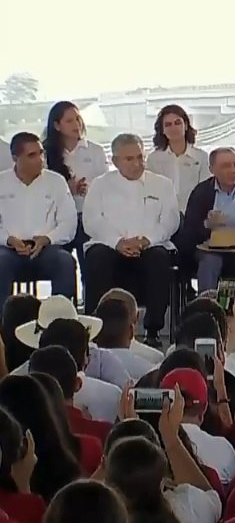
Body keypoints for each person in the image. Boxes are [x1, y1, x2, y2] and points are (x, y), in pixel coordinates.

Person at [82, 133, 178, 346]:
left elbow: (170, 221)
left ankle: (152, 330)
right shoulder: (100, 185)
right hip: (111, 246)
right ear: (115, 161)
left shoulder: (162, 184)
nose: (137, 164)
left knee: (159, 259)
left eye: (140, 157)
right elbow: (91, 221)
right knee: (97, 257)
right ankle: (97, 329)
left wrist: (146, 240)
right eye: (129, 159)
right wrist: (118, 242)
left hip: (150, 246)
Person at [180, 147, 235, 330]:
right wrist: (207, 224)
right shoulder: (201, 192)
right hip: (211, 248)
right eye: (226, 166)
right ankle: (208, 317)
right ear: (212, 169)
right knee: (209, 263)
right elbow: (188, 230)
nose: (233, 170)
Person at [0, 132, 78, 306]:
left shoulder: (56, 181)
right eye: (32, 155)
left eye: (41, 153)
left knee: (64, 261)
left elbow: (69, 222)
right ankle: (4, 320)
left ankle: (60, 317)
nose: (40, 160)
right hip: (8, 249)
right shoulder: (2, 182)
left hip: (46, 248)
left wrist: (46, 239)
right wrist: (8, 239)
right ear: (15, 158)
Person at [43, 101, 108, 278]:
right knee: (62, 262)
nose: (76, 124)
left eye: (78, 119)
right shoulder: (45, 154)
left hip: (88, 215)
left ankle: (90, 294)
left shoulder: (95, 150)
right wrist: (67, 190)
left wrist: (88, 189)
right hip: (56, 220)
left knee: (93, 262)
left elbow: (105, 185)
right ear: (57, 125)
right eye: (69, 120)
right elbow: (42, 192)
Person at [146, 104, 211, 214]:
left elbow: (205, 192)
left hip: (194, 214)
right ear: (162, 130)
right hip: (163, 215)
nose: (173, 128)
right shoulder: (153, 159)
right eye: (168, 125)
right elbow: (151, 193)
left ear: (186, 125)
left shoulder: (201, 157)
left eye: (177, 123)